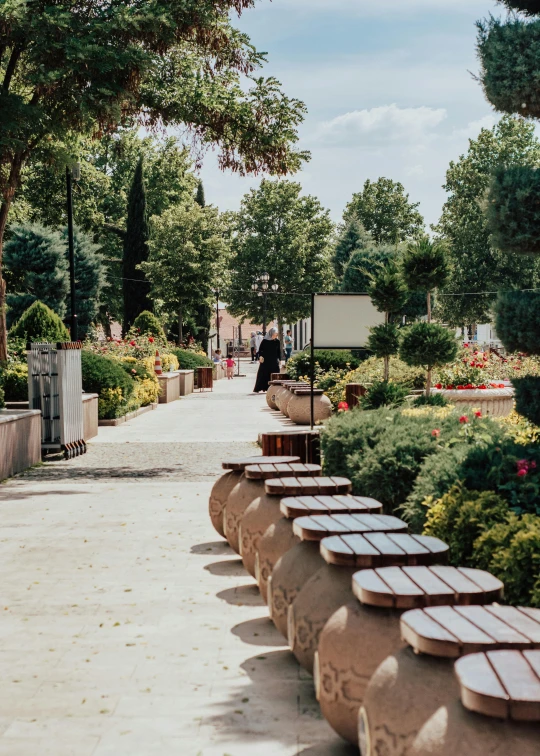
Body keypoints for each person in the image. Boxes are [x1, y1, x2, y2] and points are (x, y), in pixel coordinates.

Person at [253, 327, 280, 393]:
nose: (275, 336)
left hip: (274, 360)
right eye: (274, 334)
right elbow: (261, 350)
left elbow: (278, 351)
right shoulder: (265, 341)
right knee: (263, 373)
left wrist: (279, 359)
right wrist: (260, 356)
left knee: (274, 373)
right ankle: (259, 388)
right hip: (265, 360)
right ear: (271, 334)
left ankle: (273, 388)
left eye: (276, 335)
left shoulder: (277, 341)